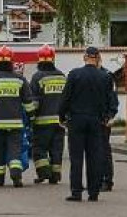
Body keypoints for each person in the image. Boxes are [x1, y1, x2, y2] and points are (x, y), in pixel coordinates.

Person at [59, 46, 117, 202]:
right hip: (96, 121)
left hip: (76, 120)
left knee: (76, 157)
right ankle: (93, 192)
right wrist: (108, 116)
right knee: (95, 157)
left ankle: (76, 192)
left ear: (85, 57)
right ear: (97, 57)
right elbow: (112, 101)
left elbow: (65, 99)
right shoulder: (105, 77)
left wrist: (61, 117)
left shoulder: (74, 75)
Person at [0, 45, 36, 187]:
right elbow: (28, 102)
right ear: (12, 62)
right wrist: (32, 117)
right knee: (14, 149)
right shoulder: (20, 79)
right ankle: (16, 174)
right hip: (15, 123)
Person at [30, 44, 66, 185]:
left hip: (42, 122)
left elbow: (35, 101)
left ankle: (44, 173)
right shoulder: (61, 76)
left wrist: (31, 116)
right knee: (56, 149)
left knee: (39, 148)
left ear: (39, 59)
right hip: (59, 121)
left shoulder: (37, 77)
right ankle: (55, 175)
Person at [95, 54, 119, 191]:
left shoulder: (107, 76)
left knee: (104, 150)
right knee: (94, 151)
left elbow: (113, 98)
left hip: (103, 118)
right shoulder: (89, 75)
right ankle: (96, 180)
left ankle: (107, 180)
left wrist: (111, 116)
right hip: (92, 118)